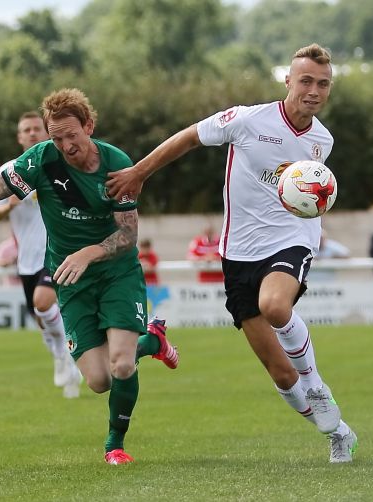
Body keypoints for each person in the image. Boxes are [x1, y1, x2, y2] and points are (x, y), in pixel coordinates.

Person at [106, 44, 357, 464]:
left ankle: (315, 381)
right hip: (238, 254)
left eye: (323, 83)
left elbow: (312, 194)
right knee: (280, 373)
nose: (313, 90)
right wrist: (138, 173)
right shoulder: (246, 119)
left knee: (275, 305)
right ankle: (338, 432)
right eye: (306, 81)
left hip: (292, 239)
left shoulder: (321, 140)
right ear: (289, 81)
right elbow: (188, 137)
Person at [0, 89, 179, 465]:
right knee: (99, 380)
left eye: (72, 135)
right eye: (57, 138)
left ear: (89, 125)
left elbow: (128, 235)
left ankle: (114, 445)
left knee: (121, 364)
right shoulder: (40, 161)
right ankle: (152, 342)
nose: (66, 145)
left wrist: (89, 253)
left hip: (116, 272)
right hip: (70, 279)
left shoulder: (118, 164)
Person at [0, 111, 81, 399]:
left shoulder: (60, 165)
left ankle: (68, 356)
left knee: (43, 302)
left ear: (47, 132)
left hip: (58, 252)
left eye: (36, 128)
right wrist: (10, 204)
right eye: (26, 129)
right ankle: (59, 355)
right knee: (41, 318)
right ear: (19, 136)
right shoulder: (9, 170)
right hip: (26, 259)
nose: (31, 133)